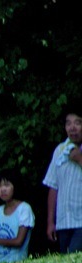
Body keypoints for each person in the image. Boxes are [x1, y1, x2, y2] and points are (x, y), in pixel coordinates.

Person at [42, 105, 82, 253]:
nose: (72, 128)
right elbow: (53, 186)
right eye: (68, 123)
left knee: (74, 255)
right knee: (66, 259)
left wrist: (79, 159)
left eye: (78, 123)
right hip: (63, 220)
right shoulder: (59, 150)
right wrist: (50, 222)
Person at [0, 168, 34, 263]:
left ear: (15, 186)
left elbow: (19, 242)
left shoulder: (24, 209)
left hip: (14, 261)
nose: (2, 189)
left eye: (7, 185)